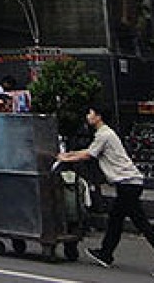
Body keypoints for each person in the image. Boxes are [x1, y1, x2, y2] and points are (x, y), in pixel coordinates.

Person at [57, 105, 154, 268]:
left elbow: (88, 154)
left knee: (141, 223)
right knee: (116, 220)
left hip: (128, 183)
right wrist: (68, 155)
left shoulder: (105, 135)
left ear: (98, 116)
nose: (88, 116)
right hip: (128, 184)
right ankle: (106, 253)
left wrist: (66, 158)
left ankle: (106, 253)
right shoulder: (103, 134)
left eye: (90, 113)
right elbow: (88, 151)